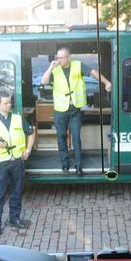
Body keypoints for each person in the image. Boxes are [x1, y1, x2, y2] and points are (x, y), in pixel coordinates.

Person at [40, 46, 111, 175]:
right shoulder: (55, 70)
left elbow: (93, 73)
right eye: (58, 57)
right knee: (61, 137)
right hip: (60, 110)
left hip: (75, 110)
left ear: (68, 57)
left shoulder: (77, 65)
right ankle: (65, 164)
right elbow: (43, 81)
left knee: (77, 137)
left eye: (61, 57)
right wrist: (51, 67)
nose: (59, 60)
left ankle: (79, 166)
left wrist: (106, 82)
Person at [0, 91, 35, 242]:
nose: (8, 105)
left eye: (9, 102)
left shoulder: (18, 118)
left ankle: (14, 219)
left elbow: (31, 133)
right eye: (5, 103)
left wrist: (28, 150)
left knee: (17, 192)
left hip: (17, 161)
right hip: (0, 162)